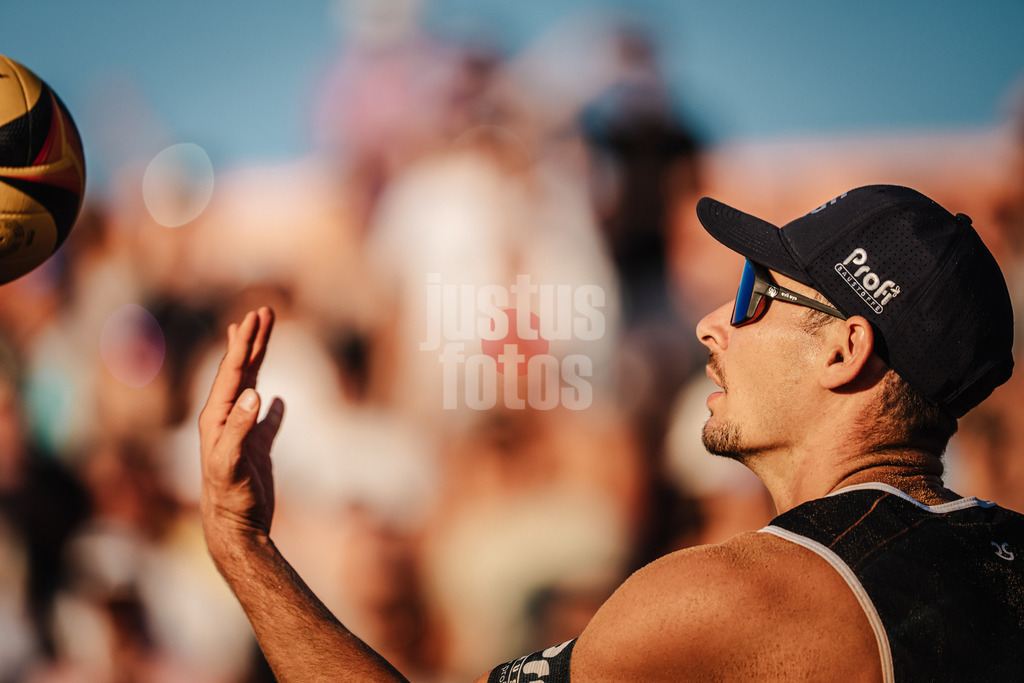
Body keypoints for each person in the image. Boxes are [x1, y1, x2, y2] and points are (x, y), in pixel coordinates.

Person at [199, 184, 1024, 681]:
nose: (710, 324)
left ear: (846, 351)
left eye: (754, 296)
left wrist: (241, 543)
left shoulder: (730, 596)